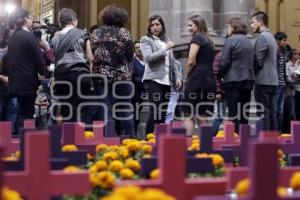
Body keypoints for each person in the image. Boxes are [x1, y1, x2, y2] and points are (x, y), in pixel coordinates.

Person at [92, 5, 135, 137]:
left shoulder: (96, 33)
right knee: (125, 110)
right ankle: (130, 139)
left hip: (101, 75)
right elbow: (129, 54)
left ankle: (107, 139)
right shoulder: (125, 33)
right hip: (122, 76)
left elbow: (92, 53)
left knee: (105, 109)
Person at [140, 15, 182, 134]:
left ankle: (159, 139)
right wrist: (166, 48)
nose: (155, 27)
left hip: (167, 81)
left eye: (157, 24)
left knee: (163, 112)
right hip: (153, 80)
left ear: (162, 26)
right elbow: (148, 58)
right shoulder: (146, 40)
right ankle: (148, 140)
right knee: (155, 111)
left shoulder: (166, 41)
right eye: (152, 25)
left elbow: (173, 62)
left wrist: (177, 76)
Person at [7, 7, 45, 133]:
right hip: (27, 80)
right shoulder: (28, 36)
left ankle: (17, 137)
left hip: (15, 80)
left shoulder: (13, 36)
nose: (31, 21)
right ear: (24, 19)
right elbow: (39, 58)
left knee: (21, 111)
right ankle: (22, 139)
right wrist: (43, 73)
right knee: (27, 113)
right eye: (30, 18)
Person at [51, 8, 94, 123]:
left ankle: (67, 137)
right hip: (80, 74)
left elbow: (54, 57)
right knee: (81, 108)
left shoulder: (55, 37)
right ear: (74, 20)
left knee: (66, 108)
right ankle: (80, 136)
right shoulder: (83, 34)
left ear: (60, 22)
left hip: (62, 75)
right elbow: (90, 58)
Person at [181, 15, 216, 135]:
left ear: (198, 25)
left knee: (188, 113)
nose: (189, 28)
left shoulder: (197, 38)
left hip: (197, 79)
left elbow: (191, 61)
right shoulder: (209, 40)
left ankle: (188, 146)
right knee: (202, 114)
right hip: (209, 79)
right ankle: (205, 146)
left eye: (190, 25)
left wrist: (186, 75)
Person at [219, 18, 255, 133]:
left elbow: (224, 61)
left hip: (233, 80)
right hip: (248, 80)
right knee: (244, 112)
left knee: (234, 113)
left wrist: (219, 75)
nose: (227, 29)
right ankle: (244, 138)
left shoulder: (230, 41)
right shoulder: (250, 41)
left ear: (234, 28)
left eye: (228, 27)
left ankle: (235, 139)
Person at [251, 11, 278, 131]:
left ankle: (265, 143)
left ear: (260, 22)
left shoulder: (262, 37)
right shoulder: (271, 36)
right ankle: (273, 142)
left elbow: (258, 61)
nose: (251, 25)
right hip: (272, 80)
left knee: (263, 113)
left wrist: (252, 74)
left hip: (263, 80)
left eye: (253, 22)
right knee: (272, 114)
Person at [0, 29, 17, 134]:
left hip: (11, 85)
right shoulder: (3, 53)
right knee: (5, 109)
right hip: (4, 84)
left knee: (12, 108)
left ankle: (8, 133)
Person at [273, 31, 288, 132]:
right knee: (275, 110)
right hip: (276, 84)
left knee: (280, 111)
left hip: (282, 85)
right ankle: (275, 132)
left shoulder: (283, 51)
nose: (285, 42)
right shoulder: (274, 52)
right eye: (283, 40)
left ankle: (279, 132)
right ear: (277, 40)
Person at [283, 49, 300, 131]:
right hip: (289, 92)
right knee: (291, 113)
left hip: (297, 91)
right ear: (292, 56)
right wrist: (296, 80)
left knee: (297, 112)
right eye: (296, 54)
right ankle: (288, 131)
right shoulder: (287, 65)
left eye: (298, 54)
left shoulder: (298, 65)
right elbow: (289, 79)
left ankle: (296, 131)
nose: (298, 56)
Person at [132, 40, 145, 132]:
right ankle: (133, 133)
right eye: (137, 48)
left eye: (141, 47)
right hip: (135, 91)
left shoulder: (148, 61)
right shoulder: (132, 62)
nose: (139, 49)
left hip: (146, 91)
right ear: (134, 50)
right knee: (135, 111)